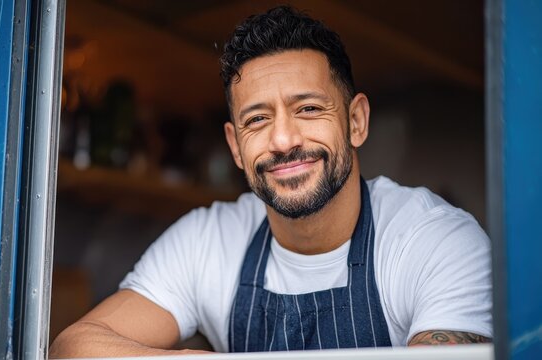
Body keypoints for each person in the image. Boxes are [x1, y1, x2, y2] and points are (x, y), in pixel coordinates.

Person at [50, 6, 492, 358]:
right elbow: (72, 348)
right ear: (236, 147)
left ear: (356, 121)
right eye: (258, 119)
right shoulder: (209, 240)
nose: (283, 140)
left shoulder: (434, 240)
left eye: (308, 109)